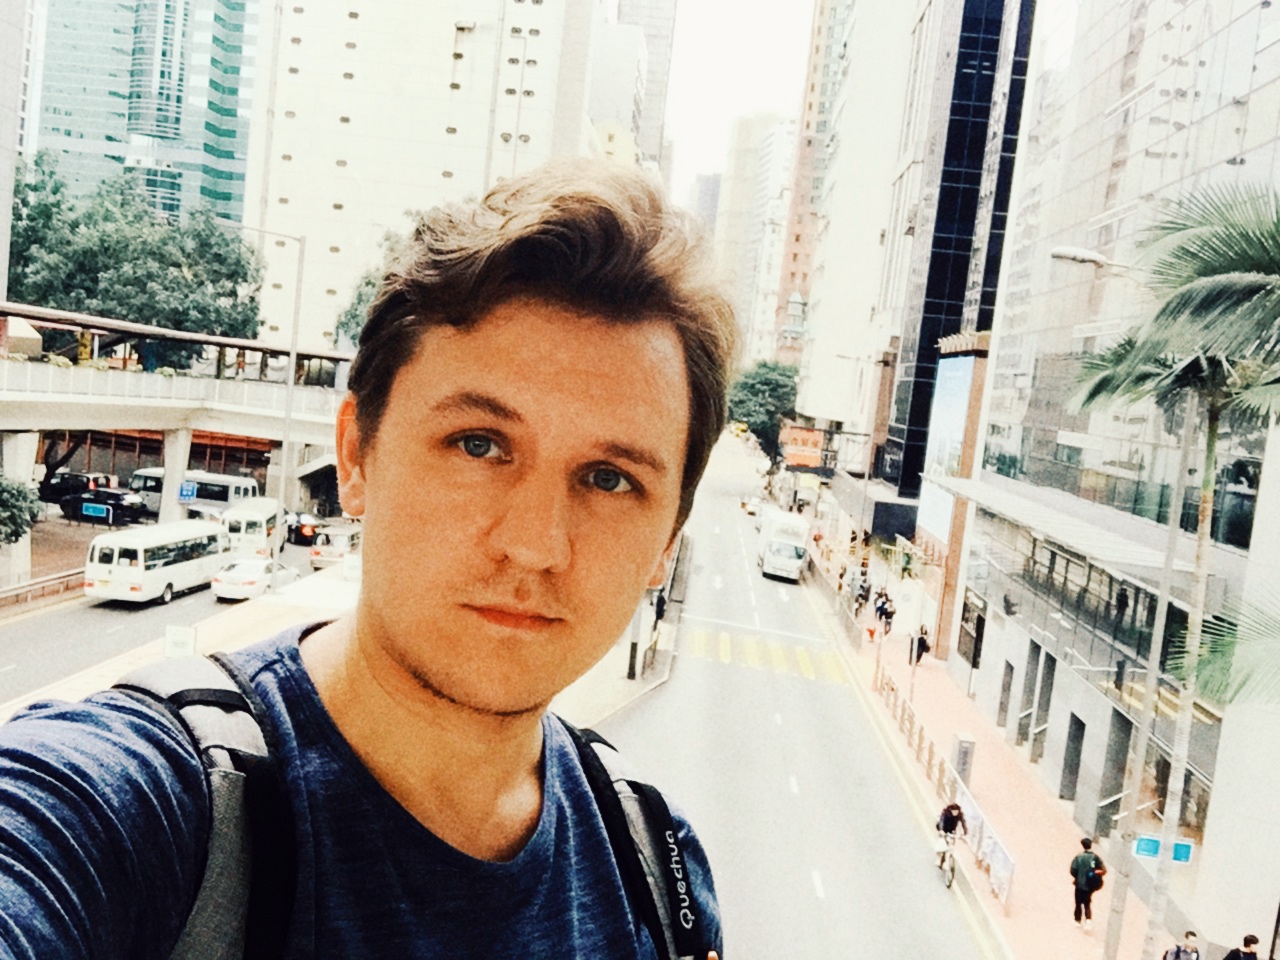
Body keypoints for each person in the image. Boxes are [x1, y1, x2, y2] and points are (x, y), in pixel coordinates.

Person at [0, 160, 731, 959]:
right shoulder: (135, 807)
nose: (534, 544)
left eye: (609, 479)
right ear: (354, 456)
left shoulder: (655, 873)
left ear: (667, 541)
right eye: (478, 444)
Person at [1069, 837, 1106, 929]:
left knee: (1078, 902)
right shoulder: (1095, 857)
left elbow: (1073, 870)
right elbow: (1103, 870)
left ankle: (1077, 920)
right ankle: (1088, 920)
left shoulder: (1079, 857)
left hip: (1079, 883)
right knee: (1087, 902)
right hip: (1090, 885)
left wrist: (1078, 877)